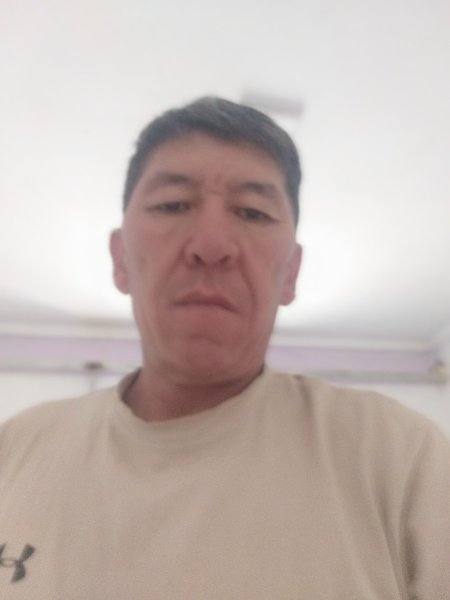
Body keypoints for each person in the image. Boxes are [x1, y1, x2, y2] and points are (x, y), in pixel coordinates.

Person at [0, 97, 449, 599]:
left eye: (253, 212)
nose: (211, 245)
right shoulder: (17, 448)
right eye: (172, 205)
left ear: (291, 273)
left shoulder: (401, 457)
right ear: (120, 258)